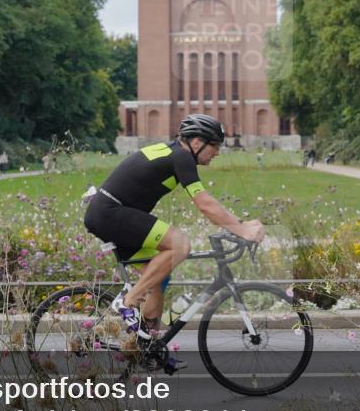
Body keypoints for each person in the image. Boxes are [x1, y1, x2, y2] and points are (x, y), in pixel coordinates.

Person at [84, 114, 265, 367]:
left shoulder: (175, 152)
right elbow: (204, 204)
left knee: (159, 278)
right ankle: (128, 301)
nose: (218, 152)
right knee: (180, 244)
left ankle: (147, 349)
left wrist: (238, 225)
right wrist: (241, 228)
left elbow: (208, 204)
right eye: (215, 146)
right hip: (110, 213)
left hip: (108, 214)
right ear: (198, 142)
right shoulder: (181, 156)